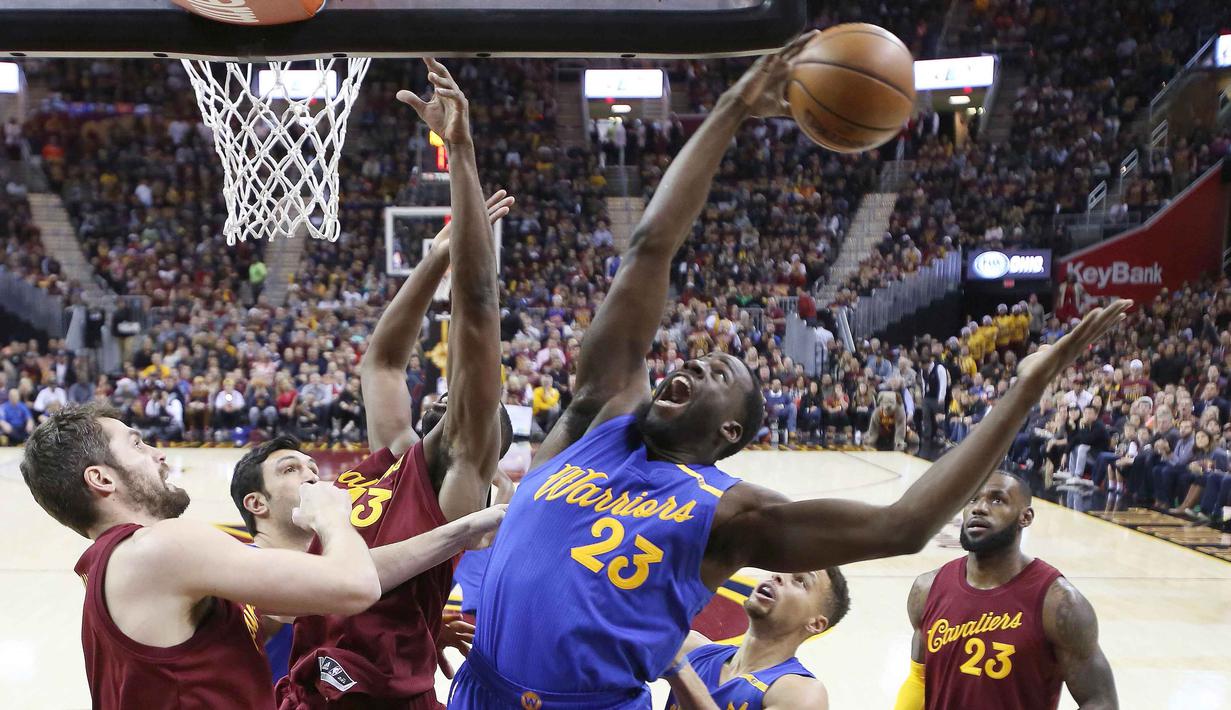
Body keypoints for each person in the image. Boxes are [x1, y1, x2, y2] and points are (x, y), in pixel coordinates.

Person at [448, 33, 1133, 709]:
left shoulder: (732, 514)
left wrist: (1024, 389)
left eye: (718, 370)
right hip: (479, 688)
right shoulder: (597, 417)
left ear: (728, 430)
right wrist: (732, 109)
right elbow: (648, 250)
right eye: (694, 359)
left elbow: (904, 526)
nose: (691, 361)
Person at [266, 59, 513, 709]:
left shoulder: (455, 483)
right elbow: (380, 363)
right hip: (305, 688)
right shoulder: (385, 467)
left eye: (454, 404)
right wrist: (433, 258)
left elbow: (479, 311)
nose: (440, 400)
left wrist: (460, 152)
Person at [19, 404, 384, 708]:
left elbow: (308, 596)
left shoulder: (118, 564)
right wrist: (331, 515)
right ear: (101, 479)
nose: (158, 454)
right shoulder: (160, 547)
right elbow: (357, 586)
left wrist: (442, 540)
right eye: (137, 445)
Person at [894, 471, 1117, 709]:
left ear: (1025, 517)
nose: (979, 508)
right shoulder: (927, 589)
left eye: (997, 500)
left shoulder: (1059, 604)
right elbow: (919, 680)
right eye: (973, 499)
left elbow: (1099, 701)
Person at [662, 568, 849, 710]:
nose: (777, 576)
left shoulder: (801, 693)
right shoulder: (692, 648)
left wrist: (680, 670)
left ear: (815, 624)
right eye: (782, 570)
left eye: (800, 581)